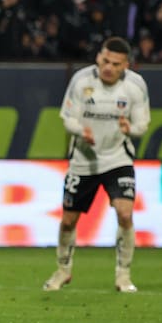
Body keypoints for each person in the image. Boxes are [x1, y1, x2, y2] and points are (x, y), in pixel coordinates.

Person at [43, 37, 150, 293]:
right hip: (84, 160)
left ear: (126, 65)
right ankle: (62, 270)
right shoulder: (82, 81)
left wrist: (131, 129)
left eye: (115, 63)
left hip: (117, 159)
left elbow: (142, 124)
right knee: (68, 220)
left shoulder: (135, 86)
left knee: (125, 214)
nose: (108, 67)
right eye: (105, 60)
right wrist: (81, 130)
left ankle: (123, 276)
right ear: (98, 57)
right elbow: (68, 119)